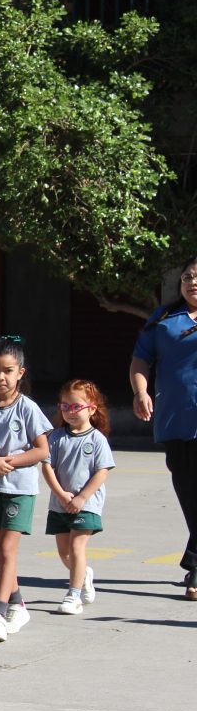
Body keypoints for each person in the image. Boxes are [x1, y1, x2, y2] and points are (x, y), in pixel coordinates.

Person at [0, 336, 51, 642]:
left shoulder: (27, 408)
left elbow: (42, 450)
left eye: (7, 371)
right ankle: (17, 602)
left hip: (18, 488)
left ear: (20, 373)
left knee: (7, 550)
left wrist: (9, 462)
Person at [130, 256, 197, 600]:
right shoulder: (164, 317)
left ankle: (196, 565)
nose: (192, 282)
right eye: (187, 276)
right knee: (187, 489)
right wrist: (141, 391)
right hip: (176, 417)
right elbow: (141, 358)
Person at [41, 380, 115, 615]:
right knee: (64, 552)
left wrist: (82, 497)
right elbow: (47, 467)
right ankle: (84, 574)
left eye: (76, 407)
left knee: (76, 547)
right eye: (65, 407)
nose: (70, 412)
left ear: (92, 409)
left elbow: (101, 471)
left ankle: (73, 595)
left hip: (87, 505)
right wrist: (61, 494)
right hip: (60, 504)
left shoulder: (97, 440)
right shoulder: (56, 437)